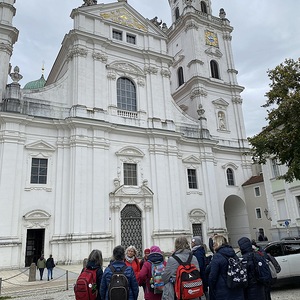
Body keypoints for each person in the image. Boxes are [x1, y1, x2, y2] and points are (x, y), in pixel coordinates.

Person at [162, 236, 200, 300]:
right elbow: (198, 272)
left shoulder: (172, 259)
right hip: (193, 291)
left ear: (176, 245)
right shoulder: (193, 258)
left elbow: (165, 278)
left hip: (177, 292)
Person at [207, 235, 244, 300]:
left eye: (214, 243)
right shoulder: (233, 254)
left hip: (222, 291)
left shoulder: (217, 256)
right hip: (236, 287)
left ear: (217, 243)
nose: (213, 245)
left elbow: (212, 277)